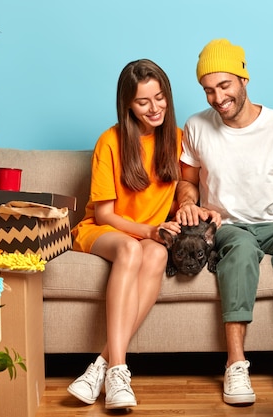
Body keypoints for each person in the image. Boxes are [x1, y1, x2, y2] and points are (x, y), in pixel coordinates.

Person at [175, 38, 273, 406]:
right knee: (239, 249)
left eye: (224, 86)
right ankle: (236, 364)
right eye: (208, 90)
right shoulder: (196, 126)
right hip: (226, 225)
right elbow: (186, 182)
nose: (217, 98)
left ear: (243, 79)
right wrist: (188, 204)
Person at [67, 59, 182, 410]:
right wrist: (149, 229)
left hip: (149, 237)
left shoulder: (178, 142)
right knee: (133, 251)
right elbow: (104, 213)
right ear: (128, 105)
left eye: (159, 97)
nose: (154, 108)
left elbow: (188, 191)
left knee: (158, 254)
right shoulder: (111, 141)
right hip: (103, 230)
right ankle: (119, 368)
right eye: (143, 102)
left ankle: (99, 369)